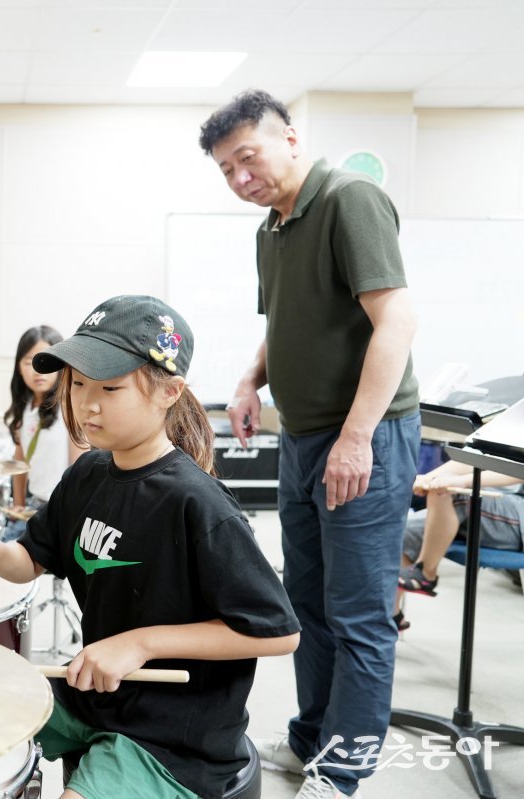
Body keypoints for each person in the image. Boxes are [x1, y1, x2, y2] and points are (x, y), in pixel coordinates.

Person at [0, 295, 300, 799]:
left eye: (109, 387)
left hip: (174, 737)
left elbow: (276, 633)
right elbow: (31, 560)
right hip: (97, 696)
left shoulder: (197, 503)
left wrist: (140, 643)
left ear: (169, 391)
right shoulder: (87, 474)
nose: (86, 404)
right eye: (79, 384)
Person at [199, 90, 421, 799]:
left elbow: (396, 319)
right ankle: (311, 738)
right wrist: (247, 382)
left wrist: (357, 438)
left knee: (357, 613)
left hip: (365, 436)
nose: (240, 178)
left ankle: (345, 768)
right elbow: (285, 320)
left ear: (289, 138)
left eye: (248, 158)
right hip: (301, 436)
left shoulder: (350, 199)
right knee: (307, 601)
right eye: (226, 170)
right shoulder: (272, 227)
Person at [395, 460, 524, 629]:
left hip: (518, 513)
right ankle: (389, 616)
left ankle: (425, 573)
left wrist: (461, 481)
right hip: (498, 504)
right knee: (404, 531)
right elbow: (473, 457)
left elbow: (518, 469)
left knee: (450, 492)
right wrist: (430, 478)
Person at [1, 325, 85, 541]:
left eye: (46, 362)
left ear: (61, 366)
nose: (38, 370)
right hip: (34, 507)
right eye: (29, 362)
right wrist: (18, 504)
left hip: (62, 511)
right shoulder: (26, 407)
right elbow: (19, 461)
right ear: (19, 367)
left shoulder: (69, 406)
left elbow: (81, 468)